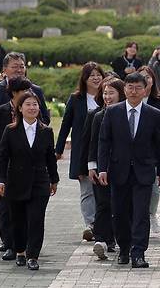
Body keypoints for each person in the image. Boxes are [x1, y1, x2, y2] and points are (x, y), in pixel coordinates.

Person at [98, 72, 160, 269]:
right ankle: (124, 249)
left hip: (143, 172)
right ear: (125, 89)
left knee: (141, 214)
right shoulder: (112, 112)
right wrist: (102, 168)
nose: (134, 91)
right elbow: (104, 142)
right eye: (130, 87)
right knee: (119, 213)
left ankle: (139, 252)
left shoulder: (153, 113)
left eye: (138, 87)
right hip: (118, 171)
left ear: (145, 90)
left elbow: (159, 145)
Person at [0, 90, 59, 271]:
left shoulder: (46, 131)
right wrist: (0, 180)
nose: (32, 108)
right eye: (28, 104)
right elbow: (2, 157)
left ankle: (33, 255)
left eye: (35, 104)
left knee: (36, 219)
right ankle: (21, 252)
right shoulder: (11, 130)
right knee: (19, 219)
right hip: (15, 181)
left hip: (39, 182)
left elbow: (50, 158)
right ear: (20, 108)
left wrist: (54, 180)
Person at [0, 76, 33, 260]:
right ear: (13, 93)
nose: (27, 96)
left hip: (28, 169)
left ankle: (25, 244)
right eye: (23, 92)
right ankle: (10, 244)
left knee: (26, 208)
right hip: (5, 169)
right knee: (6, 208)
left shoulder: (33, 110)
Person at [55, 62, 105, 241]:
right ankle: (90, 224)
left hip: (103, 149)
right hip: (82, 151)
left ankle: (103, 223)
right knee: (87, 190)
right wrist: (58, 149)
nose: (96, 78)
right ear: (84, 78)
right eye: (91, 75)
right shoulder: (76, 99)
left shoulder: (107, 96)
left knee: (103, 189)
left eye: (98, 74)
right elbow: (65, 124)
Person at [83, 77, 125, 260]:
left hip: (122, 167)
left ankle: (115, 238)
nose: (107, 97)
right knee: (103, 204)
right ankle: (101, 239)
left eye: (111, 93)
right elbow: (91, 143)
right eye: (105, 93)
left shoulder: (127, 114)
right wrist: (91, 166)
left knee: (119, 205)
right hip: (101, 167)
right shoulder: (97, 115)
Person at [0, 52, 50, 136]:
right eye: (14, 67)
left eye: (22, 67)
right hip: (2, 141)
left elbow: (45, 118)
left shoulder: (36, 90)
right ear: (4, 69)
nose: (19, 70)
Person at [137, 66, 160, 231]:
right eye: (142, 77)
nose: (145, 80)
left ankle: (151, 214)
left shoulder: (159, 101)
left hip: (153, 151)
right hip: (135, 152)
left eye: (148, 77)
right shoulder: (130, 99)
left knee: (154, 187)